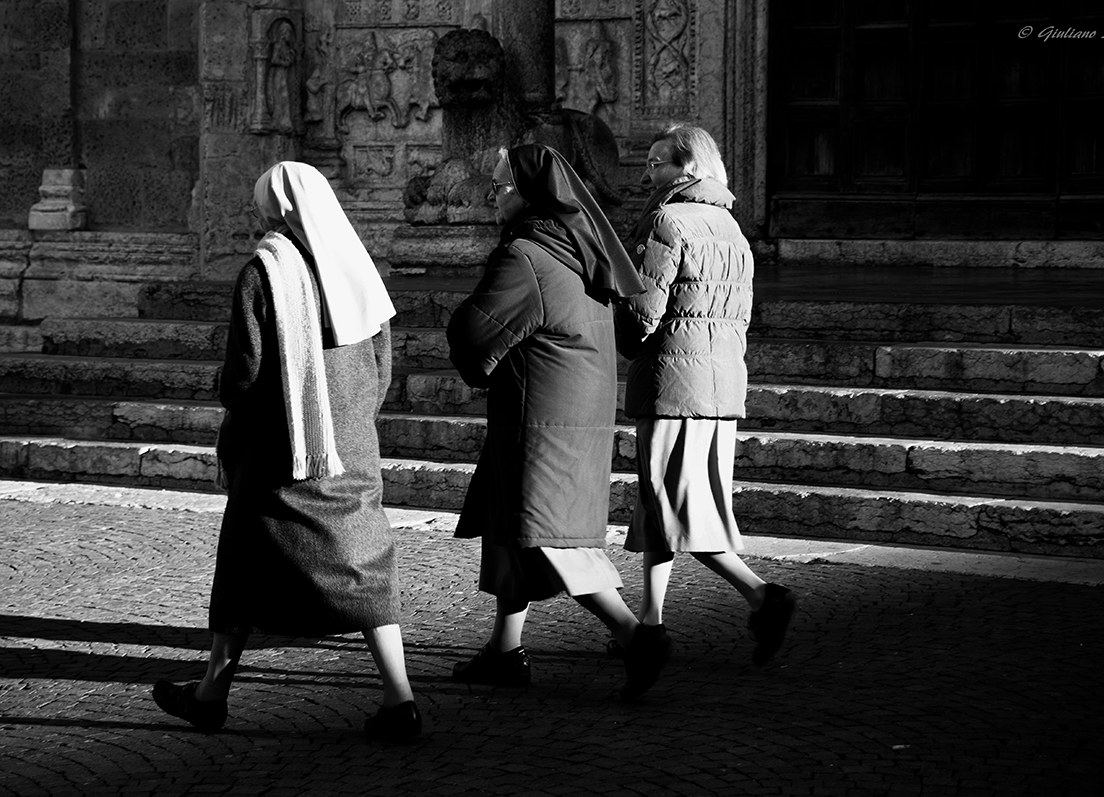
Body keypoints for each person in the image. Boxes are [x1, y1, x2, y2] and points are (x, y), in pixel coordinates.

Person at [152, 161, 421, 741]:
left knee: (243, 571)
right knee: (366, 567)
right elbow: (383, 364)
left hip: (282, 451)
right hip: (350, 445)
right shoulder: (356, 266)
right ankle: (400, 699)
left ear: (273, 209)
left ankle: (211, 695)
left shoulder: (264, 273)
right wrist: (351, 421)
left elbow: (243, 376)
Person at [446, 143, 670, 701]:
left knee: (550, 538)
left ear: (525, 194)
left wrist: (463, 334)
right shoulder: (574, 245)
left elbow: (475, 335)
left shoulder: (526, 255)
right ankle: (504, 650)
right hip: (569, 409)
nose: (491, 197)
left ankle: (634, 636)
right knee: (513, 530)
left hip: (541, 417)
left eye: (497, 187)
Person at [614, 123, 796, 665]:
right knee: (663, 501)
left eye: (657, 162)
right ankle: (650, 620)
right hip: (720, 385)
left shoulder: (667, 220)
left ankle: (762, 594)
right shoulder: (733, 230)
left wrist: (618, 334)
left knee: (675, 505)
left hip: (673, 382)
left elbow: (643, 311)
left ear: (688, 167)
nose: (648, 173)